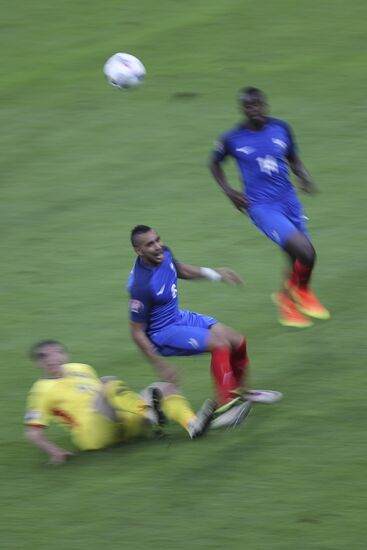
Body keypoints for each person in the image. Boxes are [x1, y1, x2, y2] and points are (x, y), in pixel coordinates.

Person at [127, 225, 281, 416]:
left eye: (158, 240)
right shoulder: (140, 286)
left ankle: (243, 392)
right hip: (162, 333)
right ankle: (225, 408)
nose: (158, 246)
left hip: (179, 317)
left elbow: (180, 269)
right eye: (150, 244)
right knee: (220, 345)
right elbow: (136, 332)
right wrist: (161, 365)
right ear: (138, 250)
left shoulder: (164, 253)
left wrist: (216, 274)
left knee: (237, 341)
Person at [209, 87, 330, 328]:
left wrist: (303, 176)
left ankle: (286, 299)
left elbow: (293, 158)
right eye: (248, 105)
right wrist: (230, 192)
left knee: (295, 255)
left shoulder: (281, 128)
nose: (253, 109)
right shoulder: (232, 138)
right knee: (307, 253)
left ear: (265, 105)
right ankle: (301, 290)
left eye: (257, 104)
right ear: (242, 109)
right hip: (262, 207)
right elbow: (213, 164)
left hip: (289, 201)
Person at [24, 340, 217, 464]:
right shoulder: (41, 390)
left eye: (55, 352)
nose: (51, 359)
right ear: (38, 363)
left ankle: (192, 425)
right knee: (108, 383)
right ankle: (148, 410)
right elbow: (32, 432)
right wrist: (55, 451)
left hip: (121, 422)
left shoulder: (82, 368)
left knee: (165, 388)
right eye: (44, 356)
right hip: (92, 434)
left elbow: (111, 398)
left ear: (64, 355)